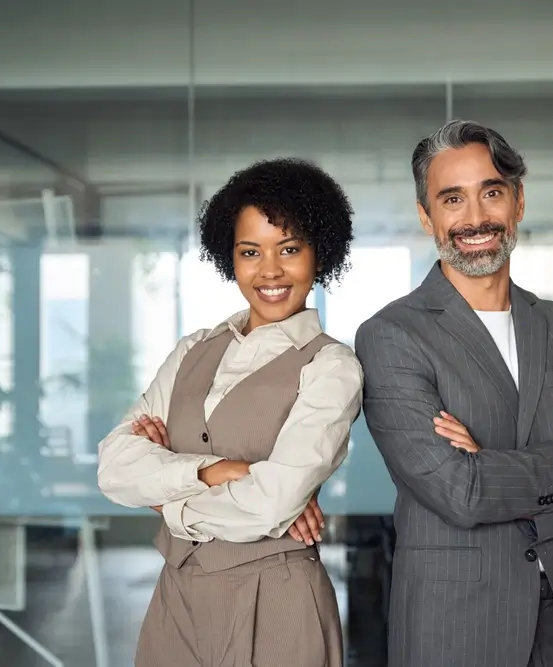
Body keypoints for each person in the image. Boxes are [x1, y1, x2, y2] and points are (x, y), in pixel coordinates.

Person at [354, 120, 553, 667]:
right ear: (426, 217)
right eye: (452, 199)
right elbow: (459, 493)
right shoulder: (391, 336)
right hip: (457, 625)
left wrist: (494, 472)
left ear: (517, 203)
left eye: (491, 192)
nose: (475, 218)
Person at [97, 158, 362, 667]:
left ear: (319, 255)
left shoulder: (332, 367)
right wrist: (215, 472)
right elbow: (114, 466)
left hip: (278, 599)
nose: (269, 271)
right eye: (250, 252)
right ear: (230, 257)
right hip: (175, 600)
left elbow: (270, 504)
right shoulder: (194, 348)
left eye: (289, 249)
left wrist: (163, 498)